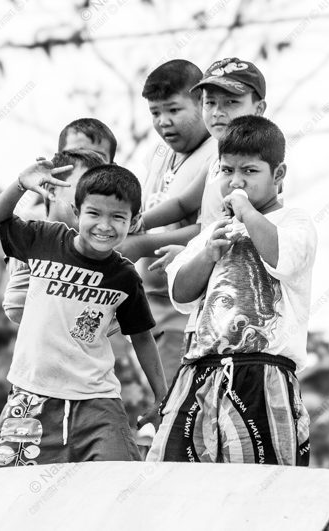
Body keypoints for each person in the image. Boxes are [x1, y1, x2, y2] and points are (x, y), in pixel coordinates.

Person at [145, 115, 315, 466]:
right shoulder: (212, 232)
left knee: (259, 486)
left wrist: (246, 211)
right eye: (227, 171)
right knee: (171, 477)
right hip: (200, 369)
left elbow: (281, 257)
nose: (236, 181)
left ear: (278, 175)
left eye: (250, 172)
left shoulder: (295, 222)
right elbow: (180, 292)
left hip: (263, 371)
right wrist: (207, 253)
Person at [0, 162, 167, 466]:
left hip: (98, 402)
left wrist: (162, 397)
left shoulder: (125, 277)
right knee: (12, 488)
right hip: (31, 396)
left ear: (133, 223)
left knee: (118, 482)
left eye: (118, 217)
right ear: (77, 213)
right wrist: (20, 184)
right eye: (94, 213)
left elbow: (142, 337)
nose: (104, 226)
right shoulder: (45, 239)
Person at [118, 59, 215, 384]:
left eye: (173, 110)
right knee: (155, 414)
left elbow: (210, 230)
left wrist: (142, 243)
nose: (164, 122)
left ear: (202, 102)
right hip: (148, 308)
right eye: (156, 113)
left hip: (183, 313)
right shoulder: (159, 153)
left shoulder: (218, 154)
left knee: (173, 414)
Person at [137, 57, 268, 235]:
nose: (217, 113)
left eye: (231, 102)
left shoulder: (260, 163)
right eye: (210, 103)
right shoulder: (215, 160)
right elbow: (181, 204)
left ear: (259, 109)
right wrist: (138, 222)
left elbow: (240, 233)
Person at [2, 149, 107, 324]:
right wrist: (20, 184)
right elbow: (17, 307)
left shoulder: (101, 242)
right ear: (51, 188)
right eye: (83, 188)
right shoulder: (32, 231)